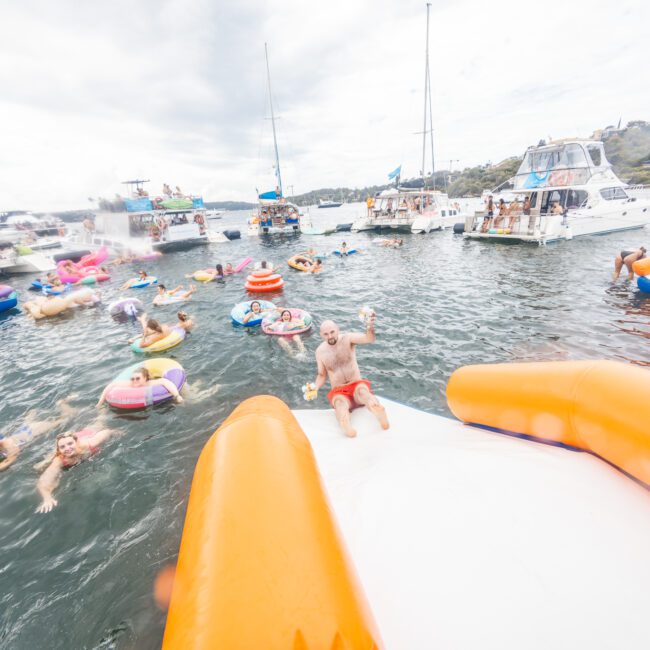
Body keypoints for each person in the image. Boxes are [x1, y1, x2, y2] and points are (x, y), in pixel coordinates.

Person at [310, 316, 388, 438]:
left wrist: (370, 326)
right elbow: (321, 375)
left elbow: (369, 339)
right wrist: (315, 387)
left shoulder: (348, 339)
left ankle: (377, 409)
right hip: (339, 391)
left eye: (332, 332)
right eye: (326, 334)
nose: (330, 336)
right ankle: (345, 423)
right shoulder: (320, 352)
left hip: (356, 383)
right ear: (321, 335)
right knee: (340, 404)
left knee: (363, 392)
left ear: (337, 329)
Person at [35, 420, 116, 513]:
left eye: (70, 444)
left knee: (100, 422)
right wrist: (47, 498)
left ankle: (101, 409)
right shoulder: (59, 460)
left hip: (87, 433)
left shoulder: (88, 444)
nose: (67, 448)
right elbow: (43, 482)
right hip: (73, 442)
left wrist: (115, 432)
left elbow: (106, 432)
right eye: (62, 447)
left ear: (76, 443)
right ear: (59, 450)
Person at [0, 399, 76, 471]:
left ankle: (61, 403)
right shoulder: (3, 443)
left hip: (32, 431)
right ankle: (31, 415)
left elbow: (11, 459)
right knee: (27, 423)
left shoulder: (8, 444)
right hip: (21, 432)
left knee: (64, 419)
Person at [96, 366, 183, 408]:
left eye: (138, 378)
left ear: (145, 378)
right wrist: (100, 401)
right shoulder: (130, 384)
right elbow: (112, 385)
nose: (134, 381)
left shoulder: (150, 383)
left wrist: (177, 396)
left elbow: (166, 382)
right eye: (132, 378)